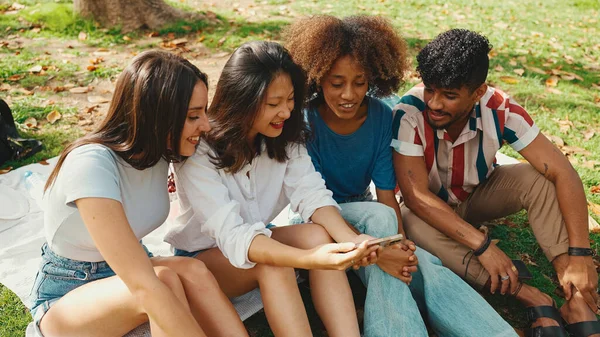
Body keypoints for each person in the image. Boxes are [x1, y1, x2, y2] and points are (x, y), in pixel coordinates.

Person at [285, 15, 518, 337]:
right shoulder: (305, 121)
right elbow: (313, 203)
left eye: (360, 82)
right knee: (383, 229)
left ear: (375, 78)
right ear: (317, 78)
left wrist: (399, 247)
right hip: (313, 222)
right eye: (336, 84)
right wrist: (382, 250)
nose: (349, 94)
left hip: (367, 218)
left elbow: (384, 192)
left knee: (423, 266)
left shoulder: (381, 116)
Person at [164, 41, 380, 337]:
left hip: (258, 236)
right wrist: (309, 259)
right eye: (273, 103)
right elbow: (232, 234)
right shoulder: (199, 148)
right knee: (273, 263)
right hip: (203, 258)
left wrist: (352, 242)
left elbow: (312, 194)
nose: (286, 112)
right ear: (244, 99)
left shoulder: (284, 136)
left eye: (291, 99)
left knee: (318, 234)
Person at [393, 28, 599, 337]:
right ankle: (529, 295)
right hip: (424, 211)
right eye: (430, 90)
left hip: (474, 198)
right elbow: (415, 196)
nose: (434, 103)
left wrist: (580, 255)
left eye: (449, 95)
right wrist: (483, 246)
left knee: (539, 179)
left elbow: (563, 171)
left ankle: (575, 296)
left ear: (477, 92)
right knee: (411, 221)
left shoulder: (499, 109)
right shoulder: (408, 111)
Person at [28, 50, 248, 337]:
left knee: (193, 272)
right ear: (157, 117)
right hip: (68, 289)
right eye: (194, 115)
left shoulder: (159, 153)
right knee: (162, 282)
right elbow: (144, 286)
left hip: (130, 269)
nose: (205, 125)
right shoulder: (91, 164)